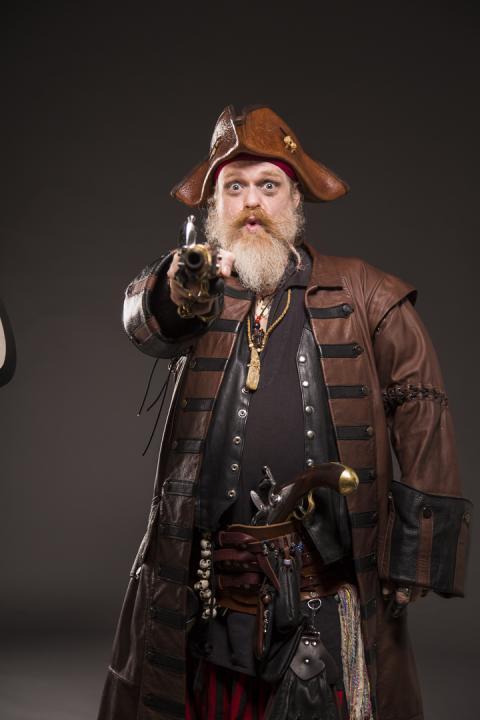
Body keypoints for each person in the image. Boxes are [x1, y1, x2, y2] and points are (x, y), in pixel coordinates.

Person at [97, 105, 472, 720]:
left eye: (268, 186)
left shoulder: (366, 293)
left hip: (323, 594)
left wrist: (419, 552)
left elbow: (421, 407)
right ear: (214, 206)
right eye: (234, 187)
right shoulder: (197, 295)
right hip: (211, 597)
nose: (251, 201)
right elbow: (146, 323)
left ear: (295, 199)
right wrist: (179, 280)